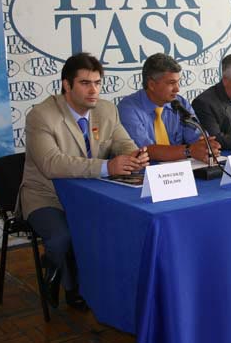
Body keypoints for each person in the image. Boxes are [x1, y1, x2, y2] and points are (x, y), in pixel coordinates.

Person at [19, 52, 149, 311]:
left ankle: (113, 286)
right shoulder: (41, 116)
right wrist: (107, 166)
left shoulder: (106, 109)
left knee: (122, 227)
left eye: (98, 83)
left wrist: (135, 155)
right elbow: (51, 164)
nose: (93, 90)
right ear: (66, 85)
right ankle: (60, 273)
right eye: (85, 83)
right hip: (48, 196)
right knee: (62, 237)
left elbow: (123, 143)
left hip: (93, 194)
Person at [118, 53, 220, 162]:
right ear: (152, 85)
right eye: (171, 83)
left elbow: (197, 139)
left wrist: (206, 147)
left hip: (180, 168)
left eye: (178, 82)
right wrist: (188, 151)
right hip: (146, 169)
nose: (177, 89)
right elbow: (145, 150)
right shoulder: (128, 108)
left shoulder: (180, 103)